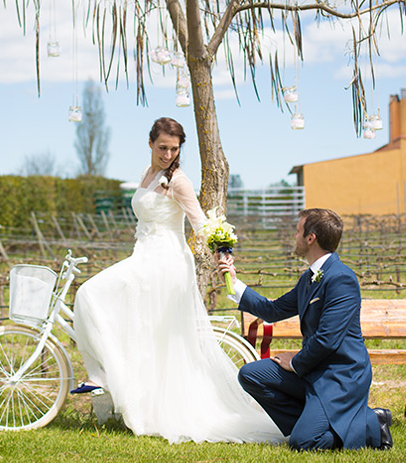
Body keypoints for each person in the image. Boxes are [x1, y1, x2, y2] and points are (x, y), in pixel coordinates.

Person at [72, 117, 284, 445]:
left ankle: (103, 377)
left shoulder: (178, 182)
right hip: (143, 256)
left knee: (90, 293)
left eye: (174, 148)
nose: (168, 154)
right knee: (144, 331)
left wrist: (222, 250)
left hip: (165, 263)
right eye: (162, 147)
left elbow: (200, 224)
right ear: (150, 143)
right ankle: (125, 389)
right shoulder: (147, 171)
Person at [215, 208, 393, 452]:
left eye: (298, 231)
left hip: (340, 376)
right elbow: (272, 310)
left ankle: (371, 422)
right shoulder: (309, 278)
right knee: (251, 375)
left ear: (311, 238)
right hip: (313, 372)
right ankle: (315, 420)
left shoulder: (341, 279)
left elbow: (328, 340)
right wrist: (233, 282)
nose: (294, 235)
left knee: (304, 442)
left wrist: (296, 361)